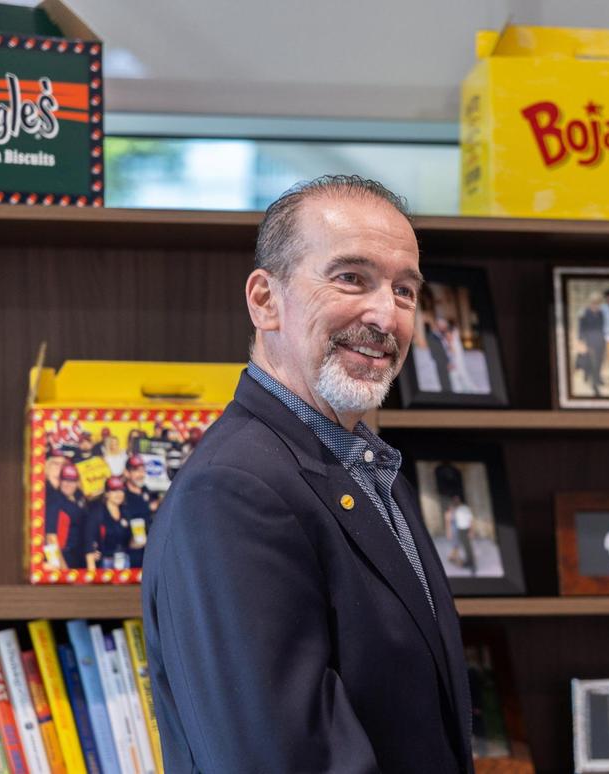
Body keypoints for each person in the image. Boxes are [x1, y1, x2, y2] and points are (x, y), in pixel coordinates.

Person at [142, 175, 473, 773]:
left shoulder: (369, 467)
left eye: (404, 290)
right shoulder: (235, 492)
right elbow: (283, 758)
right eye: (351, 278)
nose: (385, 315)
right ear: (265, 300)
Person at [86, 476, 132, 570]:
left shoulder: (125, 512)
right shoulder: (97, 513)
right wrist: (92, 567)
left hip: (124, 561)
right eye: (114, 490)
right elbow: (88, 540)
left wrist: (138, 541)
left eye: (121, 490)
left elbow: (129, 542)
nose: (119, 494)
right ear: (107, 493)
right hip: (105, 563)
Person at [121, 454, 153, 568]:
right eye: (136, 471)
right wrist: (129, 542)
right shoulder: (122, 495)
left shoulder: (146, 491)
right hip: (130, 555)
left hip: (148, 553)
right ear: (127, 473)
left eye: (142, 470)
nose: (141, 474)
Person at [576, 292, 606, 395]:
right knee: (594, 362)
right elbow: (580, 328)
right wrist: (581, 342)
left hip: (600, 340)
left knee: (599, 361)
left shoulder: (601, 312)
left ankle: (594, 377)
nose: (596, 304)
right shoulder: (584, 312)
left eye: (598, 302)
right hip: (588, 340)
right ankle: (595, 386)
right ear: (591, 302)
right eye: (594, 302)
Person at [446, 494, 476, 574]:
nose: (456, 501)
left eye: (457, 499)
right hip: (459, 530)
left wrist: (471, 531)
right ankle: (463, 561)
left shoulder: (465, 508)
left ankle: (472, 565)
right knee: (460, 546)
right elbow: (449, 519)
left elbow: (471, 520)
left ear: (460, 500)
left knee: (468, 547)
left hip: (465, 530)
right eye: (455, 499)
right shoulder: (455, 509)